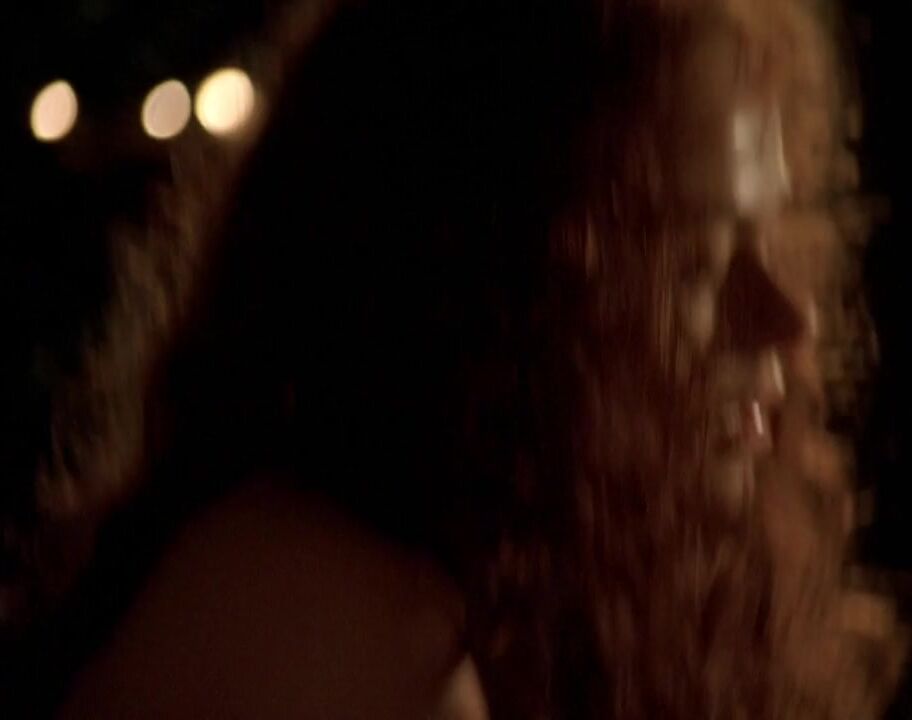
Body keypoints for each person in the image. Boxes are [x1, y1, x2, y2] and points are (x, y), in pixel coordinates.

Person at [4, 0, 903, 717]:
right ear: (496, 286)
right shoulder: (323, 619)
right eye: (693, 259)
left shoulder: (522, 601)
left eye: (769, 240)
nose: (787, 318)